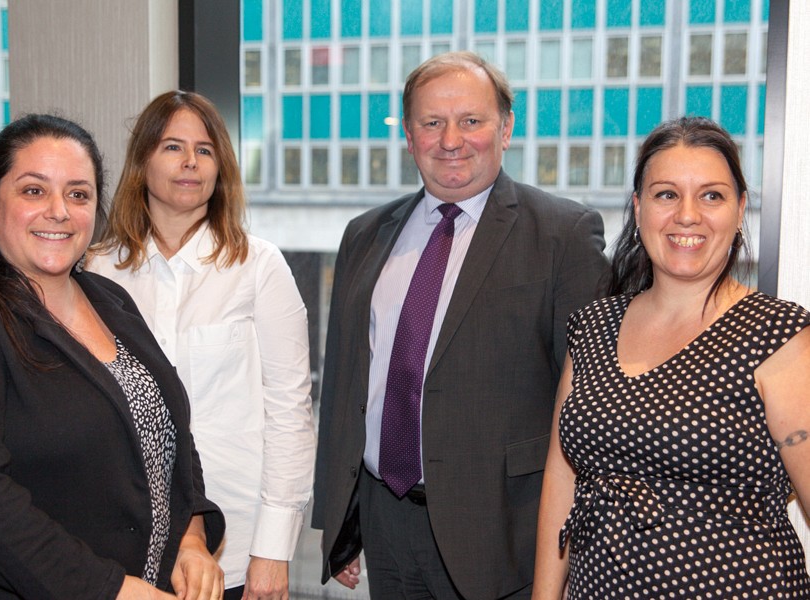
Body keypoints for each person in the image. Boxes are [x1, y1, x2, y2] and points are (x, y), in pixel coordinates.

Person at [312, 51, 609, 599]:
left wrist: (574, 557)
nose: (451, 140)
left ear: (506, 128)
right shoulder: (365, 234)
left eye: (471, 120)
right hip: (385, 520)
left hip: (503, 537)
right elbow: (348, 387)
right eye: (432, 123)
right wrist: (343, 517)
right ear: (408, 135)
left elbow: (591, 406)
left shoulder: (564, 236)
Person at [0, 114, 226, 599]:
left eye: (78, 194)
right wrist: (110, 590)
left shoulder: (109, 298)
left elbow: (167, 430)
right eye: (34, 191)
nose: (58, 210)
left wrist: (190, 538)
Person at [533, 116, 810, 598]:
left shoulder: (776, 335)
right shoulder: (594, 326)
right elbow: (561, 478)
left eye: (711, 195)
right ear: (638, 208)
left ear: (740, 207)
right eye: (666, 194)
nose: (687, 215)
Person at [89, 91, 315, 600]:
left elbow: (290, 412)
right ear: (142, 161)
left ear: (221, 169)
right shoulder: (95, 271)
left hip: (235, 550)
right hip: (124, 546)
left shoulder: (259, 267)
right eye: (172, 146)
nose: (191, 161)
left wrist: (272, 551)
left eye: (206, 150)